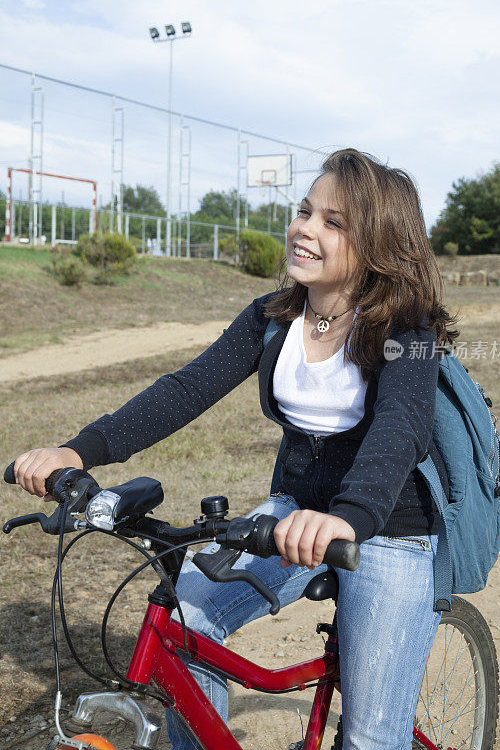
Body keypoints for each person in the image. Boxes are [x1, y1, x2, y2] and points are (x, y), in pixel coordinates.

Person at [13, 149, 459, 750]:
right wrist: (79, 450)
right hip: (291, 515)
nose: (304, 228)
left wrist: (346, 518)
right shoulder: (275, 317)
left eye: (333, 222)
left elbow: (400, 428)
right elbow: (186, 390)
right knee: (187, 624)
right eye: (305, 211)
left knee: (371, 735)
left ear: (377, 244)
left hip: (386, 529)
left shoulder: (410, 329)